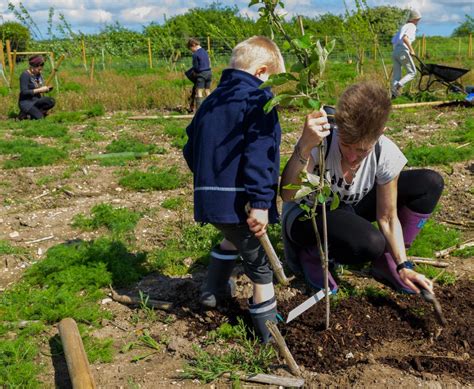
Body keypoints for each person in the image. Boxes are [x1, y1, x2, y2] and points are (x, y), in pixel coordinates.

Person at [280, 81, 444, 296]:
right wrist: (304, 145)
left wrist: (403, 265)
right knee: (370, 243)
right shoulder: (321, 142)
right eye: (345, 144)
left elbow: (387, 216)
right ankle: (312, 252)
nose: (351, 157)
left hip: (346, 209)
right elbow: (288, 195)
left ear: (380, 134)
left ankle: (387, 262)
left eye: (361, 150)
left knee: (430, 182)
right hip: (307, 216)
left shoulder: (384, 152)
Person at [183, 36, 285, 342]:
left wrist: (207, 180)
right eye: (270, 78)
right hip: (242, 202)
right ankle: (268, 333)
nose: (270, 84)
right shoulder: (258, 100)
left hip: (210, 201)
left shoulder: (211, 100)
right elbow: (259, 155)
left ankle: (212, 292)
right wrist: (260, 203)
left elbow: (190, 149)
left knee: (232, 238)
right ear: (261, 70)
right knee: (260, 264)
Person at [391, 9, 422, 98]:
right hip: (403, 51)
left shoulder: (403, 26)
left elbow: (395, 40)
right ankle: (397, 86)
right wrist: (411, 50)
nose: (418, 21)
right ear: (413, 19)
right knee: (412, 72)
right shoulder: (412, 26)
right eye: (418, 19)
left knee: (397, 75)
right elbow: (405, 38)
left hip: (395, 51)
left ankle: (393, 95)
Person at [18, 55, 55, 120]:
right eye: (39, 69)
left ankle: (32, 113)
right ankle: (24, 113)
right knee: (40, 118)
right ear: (32, 67)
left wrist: (46, 89)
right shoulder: (25, 75)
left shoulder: (38, 75)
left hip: (36, 100)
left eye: (41, 69)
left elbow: (38, 87)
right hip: (27, 103)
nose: (40, 71)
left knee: (51, 101)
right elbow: (24, 92)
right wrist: (40, 90)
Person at [185, 38, 212, 112]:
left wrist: (193, 74)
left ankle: (199, 111)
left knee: (199, 91)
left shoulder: (195, 54)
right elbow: (209, 62)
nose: (191, 50)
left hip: (201, 73)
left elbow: (196, 67)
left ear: (193, 45)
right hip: (209, 72)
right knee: (207, 91)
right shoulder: (205, 52)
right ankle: (211, 108)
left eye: (191, 49)